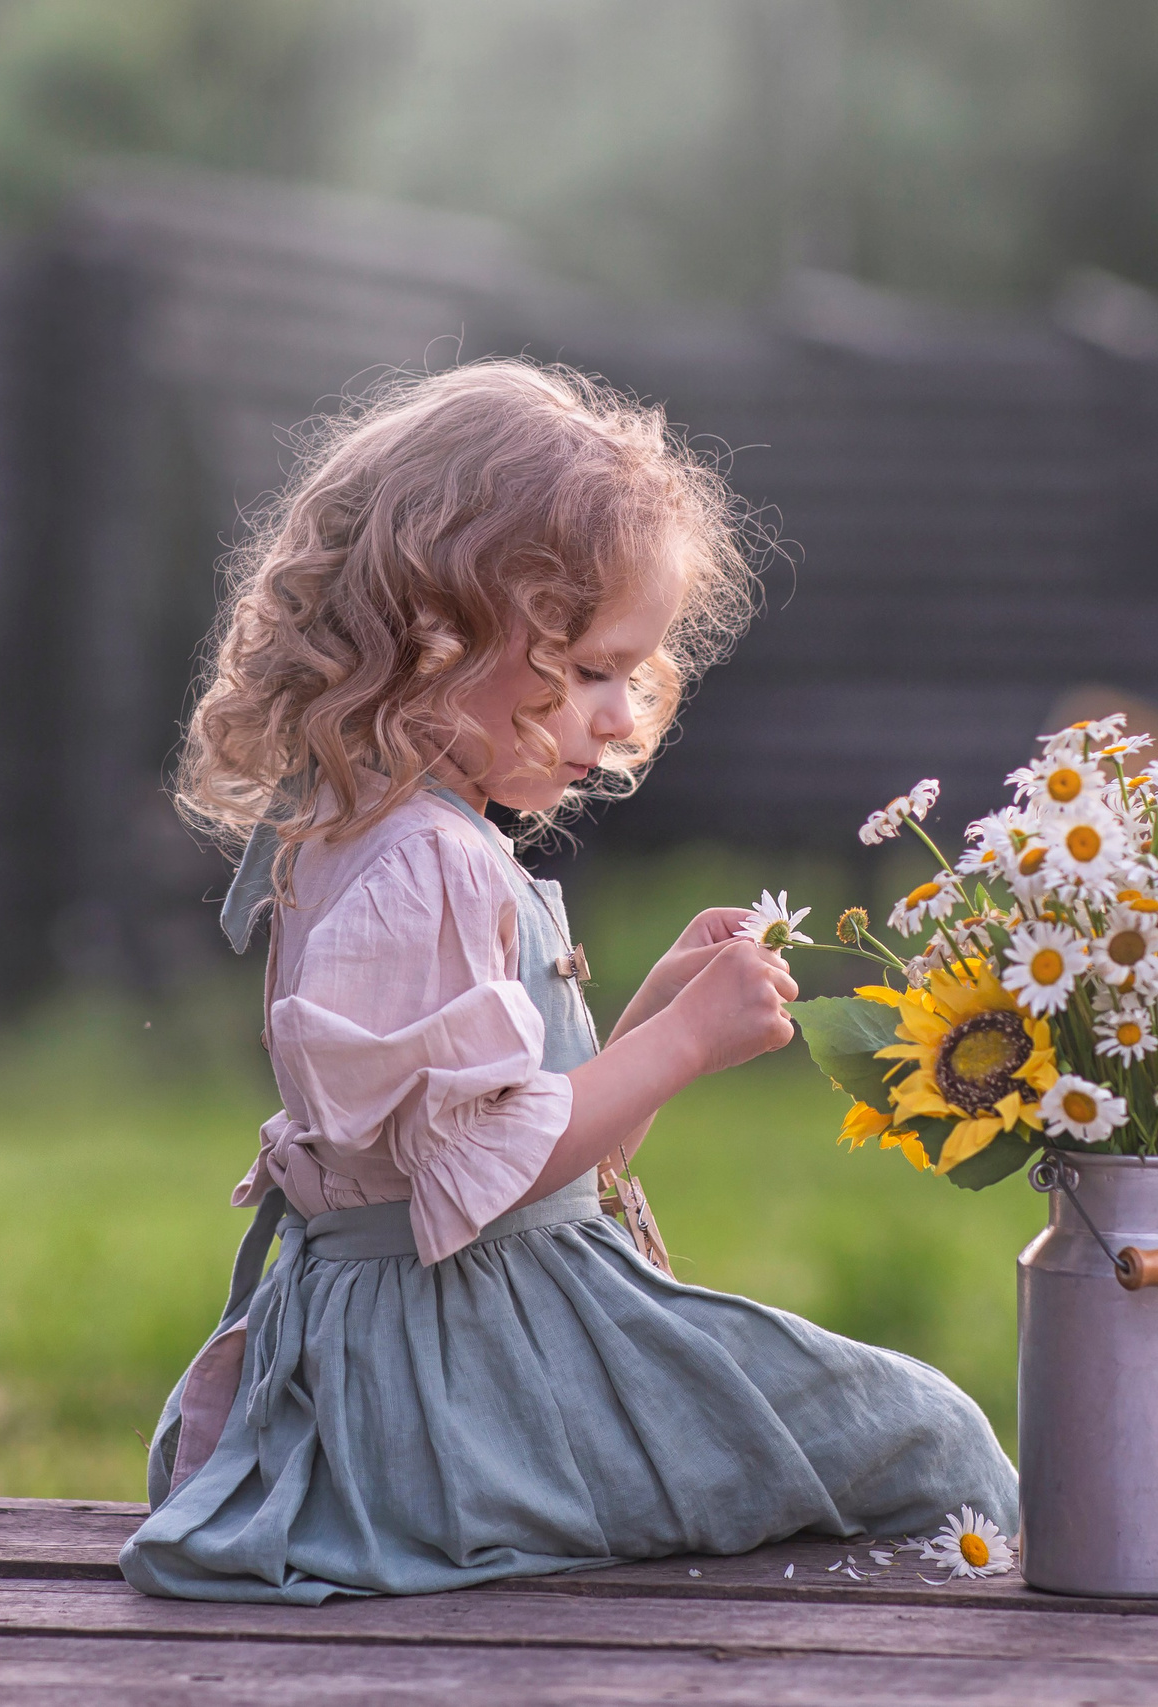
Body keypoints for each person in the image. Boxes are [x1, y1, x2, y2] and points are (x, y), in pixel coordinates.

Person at [121, 360, 1017, 1603]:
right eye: (591, 670)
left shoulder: (358, 833)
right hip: (471, 1379)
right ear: (433, 639)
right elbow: (478, 1180)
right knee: (931, 1443)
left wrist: (652, 1011)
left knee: (885, 1437)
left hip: (432, 1341)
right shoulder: (428, 864)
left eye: (631, 677)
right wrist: (684, 1043)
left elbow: (532, 1156)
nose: (621, 719)